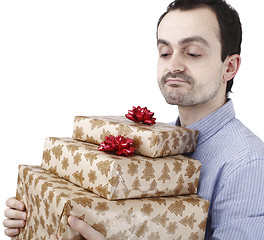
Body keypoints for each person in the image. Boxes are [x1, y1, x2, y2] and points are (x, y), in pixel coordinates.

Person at [4, 0, 264, 239]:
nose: (174, 64)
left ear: (229, 67)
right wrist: (40, 217)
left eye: (193, 53)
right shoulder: (154, 146)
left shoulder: (247, 163)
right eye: (165, 52)